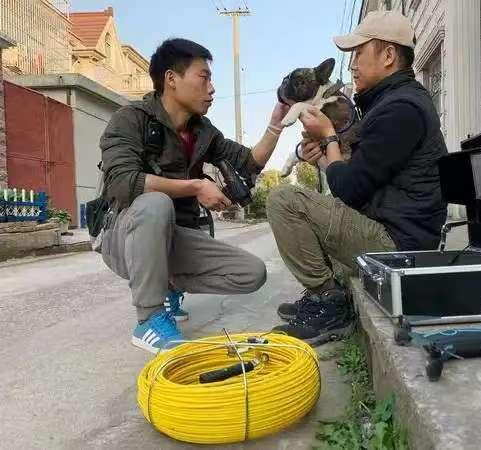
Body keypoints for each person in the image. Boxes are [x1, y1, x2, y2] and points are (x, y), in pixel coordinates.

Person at [267, 10, 449, 346]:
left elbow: (349, 189)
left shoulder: (401, 108)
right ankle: (328, 293)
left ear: (389, 55)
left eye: (359, 53)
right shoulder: (391, 102)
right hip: (392, 229)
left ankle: (329, 304)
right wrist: (325, 153)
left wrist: (329, 136)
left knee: (283, 199)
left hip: (398, 244)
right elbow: (355, 178)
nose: (352, 65)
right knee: (310, 209)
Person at [99, 38, 289, 353]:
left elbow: (250, 161)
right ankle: (149, 318)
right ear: (171, 79)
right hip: (125, 237)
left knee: (252, 273)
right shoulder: (131, 119)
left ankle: (168, 285)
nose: (212, 88)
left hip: (174, 237)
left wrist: (276, 124)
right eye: (204, 77)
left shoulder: (203, 131)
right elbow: (123, 182)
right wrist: (196, 187)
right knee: (155, 204)